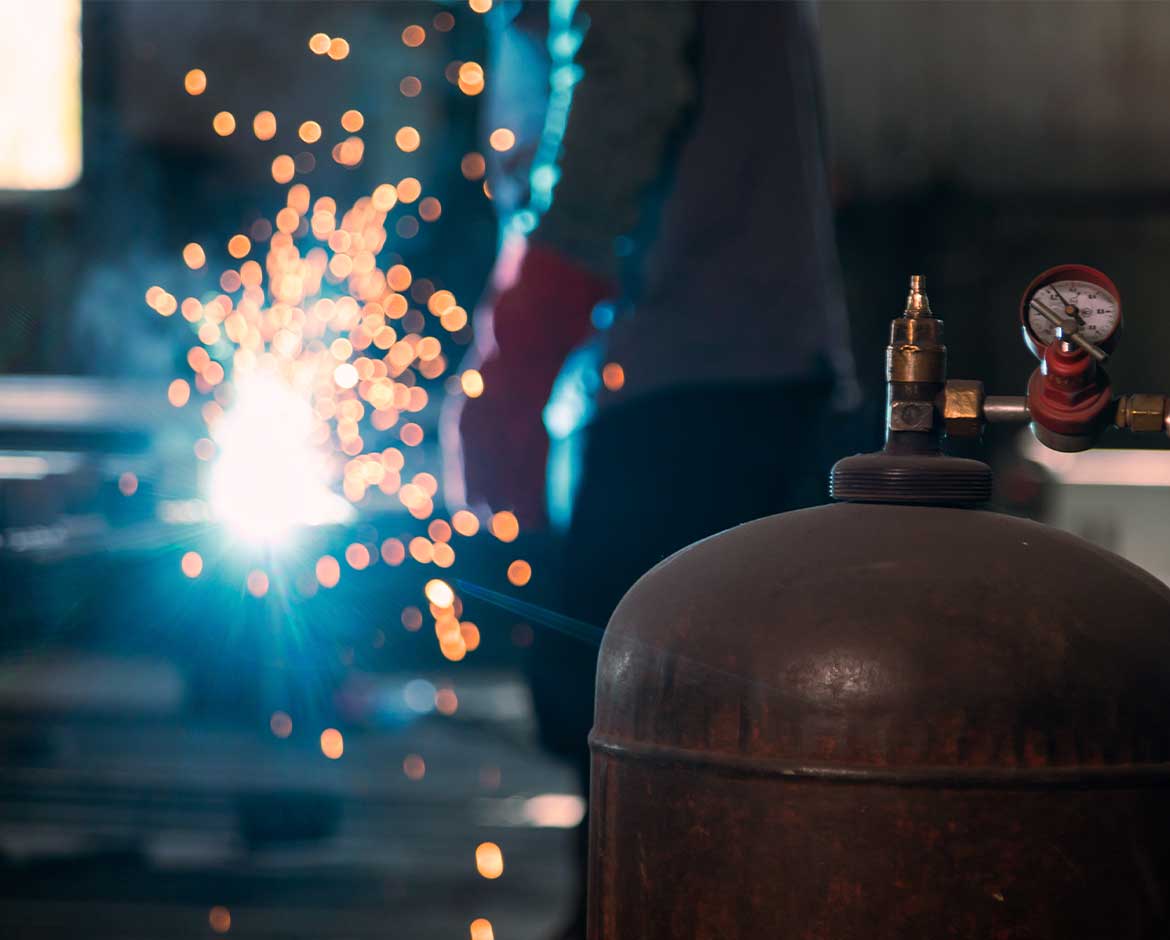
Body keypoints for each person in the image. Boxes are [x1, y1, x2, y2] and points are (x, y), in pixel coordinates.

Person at [441, 2, 858, 935]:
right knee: (652, 751)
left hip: (696, 387)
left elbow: (617, 106)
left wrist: (511, 368)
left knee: (658, 739)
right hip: (701, 370)